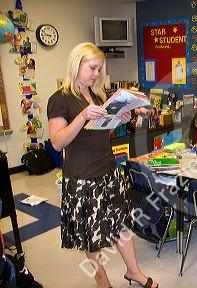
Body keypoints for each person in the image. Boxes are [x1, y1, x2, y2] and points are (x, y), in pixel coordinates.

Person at [47, 42, 158, 288]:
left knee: (122, 223)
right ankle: (101, 277)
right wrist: (82, 116)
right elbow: (57, 142)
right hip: (82, 176)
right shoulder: (60, 99)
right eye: (92, 68)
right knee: (92, 233)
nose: (97, 74)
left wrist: (121, 118)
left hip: (108, 169)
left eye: (99, 69)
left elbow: (101, 131)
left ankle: (133, 271)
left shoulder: (97, 95)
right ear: (77, 65)